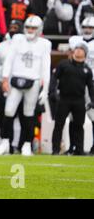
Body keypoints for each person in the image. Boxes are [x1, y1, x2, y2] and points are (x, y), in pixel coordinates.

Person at [0, 16, 51, 156]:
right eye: (29, 28)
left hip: (34, 81)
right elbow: (9, 59)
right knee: (8, 112)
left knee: (29, 114)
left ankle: (26, 144)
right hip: (15, 79)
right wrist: (5, 79)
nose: (30, 30)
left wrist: (46, 88)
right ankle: (5, 142)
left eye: (33, 28)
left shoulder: (44, 44)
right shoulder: (18, 39)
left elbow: (46, 66)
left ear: (39, 29)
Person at [50, 42, 94, 155]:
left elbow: (90, 86)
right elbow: (54, 78)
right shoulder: (64, 64)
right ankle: (55, 149)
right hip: (64, 98)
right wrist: (52, 92)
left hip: (79, 100)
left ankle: (78, 149)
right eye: (77, 49)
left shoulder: (87, 70)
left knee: (79, 125)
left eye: (81, 49)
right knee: (59, 124)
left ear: (85, 53)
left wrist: (93, 100)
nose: (78, 51)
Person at [0, 20, 23, 137]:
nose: (13, 30)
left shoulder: (26, 45)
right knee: (3, 114)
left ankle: (19, 144)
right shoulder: (2, 46)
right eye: (11, 27)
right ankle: (4, 141)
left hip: (21, 85)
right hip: (4, 85)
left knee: (21, 115)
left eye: (16, 27)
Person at [68, 17, 94, 154]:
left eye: (91, 28)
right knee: (74, 116)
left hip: (92, 83)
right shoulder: (75, 41)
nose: (88, 30)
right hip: (77, 81)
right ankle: (73, 146)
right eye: (85, 27)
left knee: (93, 115)